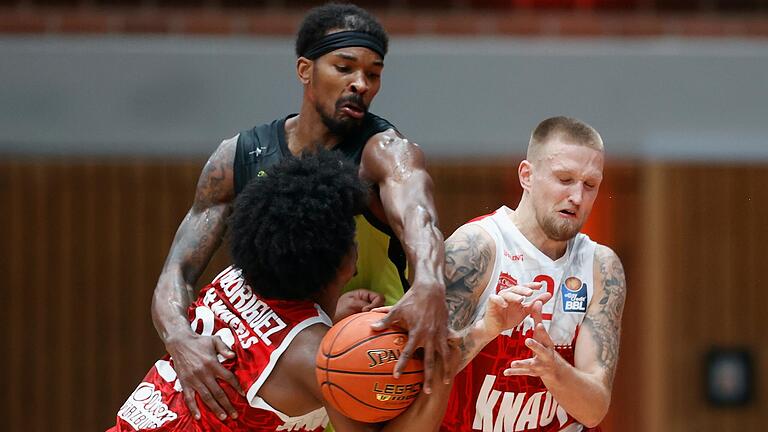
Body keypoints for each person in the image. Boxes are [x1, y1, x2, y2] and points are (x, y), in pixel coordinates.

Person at [151, 3, 449, 421]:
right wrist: (178, 338)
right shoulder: (239, 155)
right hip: (280, 352)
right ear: (305, 70)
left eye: (373, 73)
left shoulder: (384, 151)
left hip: (373, 347)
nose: (360, 84)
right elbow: (177, 271)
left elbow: (420, 219)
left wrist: (432, 283)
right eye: (344, 68)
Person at [110, 151, 451, 432]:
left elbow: (263, 336)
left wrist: (331, 319)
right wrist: (447, 356)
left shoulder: (236, 277)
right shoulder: (316, 357)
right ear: (344, 257)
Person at [439, 117, 627, 431]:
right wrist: (488, 329)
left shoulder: (601, 267)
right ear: (527, 175)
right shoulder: (475, 248)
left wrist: (554, 369)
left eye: (590, 185)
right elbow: (423, 375)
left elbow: (595, 410)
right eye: (564, 179)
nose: (577, 197)